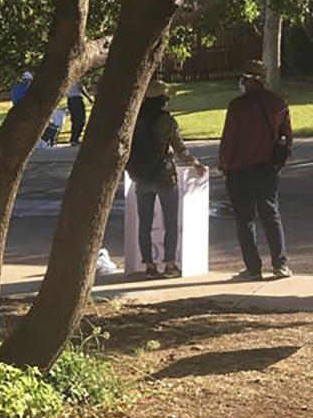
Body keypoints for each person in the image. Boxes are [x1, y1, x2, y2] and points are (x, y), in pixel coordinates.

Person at [219, 60, 293, 280]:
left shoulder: (237, 106)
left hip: (239, 170)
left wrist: (224, 164)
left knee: (245, 219)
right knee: (271, 215)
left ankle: (253, 268)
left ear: (247, 80)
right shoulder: (278, 103)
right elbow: (286, 137)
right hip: (266, 169)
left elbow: (229, 140)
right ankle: (280, 264)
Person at [126, 80, 206, 279]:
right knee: (171, 222)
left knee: (144, 224)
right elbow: (179, 148)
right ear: (163, 100)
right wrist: (195, 163)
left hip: (141, 177)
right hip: (164, 176)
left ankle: (149, 267)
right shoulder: (167, 121)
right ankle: (170, 264)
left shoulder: (134, 120)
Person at [67, 78, 93, 145]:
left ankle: (74, 139)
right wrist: (89, 98)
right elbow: (81, 88)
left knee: (75, 120)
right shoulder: (77, 78)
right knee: (81, 120)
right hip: (76, 100)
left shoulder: (68, 78)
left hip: (70, 100)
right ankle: (75, 138)